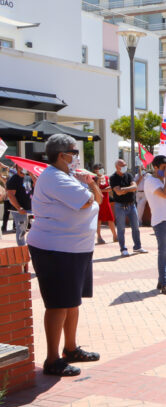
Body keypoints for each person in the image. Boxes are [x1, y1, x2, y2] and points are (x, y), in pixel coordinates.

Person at [28, 134, 102, 377]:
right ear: (62, 155)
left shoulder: (69, 177)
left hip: (75, 248)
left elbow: (98, 199)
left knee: (73, 301)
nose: (77, 157)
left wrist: (89, 185)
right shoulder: (54, 177)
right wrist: (89, 186)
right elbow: (86, 202)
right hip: (55, 249)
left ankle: (70, 348)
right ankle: (52, 359)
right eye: (74, 152)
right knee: (58, 304)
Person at [144, 155, 166, 295]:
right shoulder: (151, 181)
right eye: (164, 168)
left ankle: (163, 280)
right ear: (155, 167)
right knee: (163, 253)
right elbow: (164, 194)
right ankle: (164, 283)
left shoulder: (161, 180)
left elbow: (165, 199)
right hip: (160, 221)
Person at [110, 159, 147, 257]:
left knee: (136, 227)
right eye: (122, 165)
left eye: (125, 165)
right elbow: (117, 192)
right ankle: (123, 248)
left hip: (131, 205)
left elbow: (135, 187)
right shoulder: (113, 178)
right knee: (121, 229)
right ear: (117, 167)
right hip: (120, 206)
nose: (124, 167)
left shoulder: (129, 175)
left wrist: (123, 189)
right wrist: (128, 189)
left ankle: (137, 246)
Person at [5, 164, 33, 247]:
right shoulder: (14, 179)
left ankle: (28, 247)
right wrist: (19, 208)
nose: (24, 168)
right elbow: (10, 195)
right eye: (21, 166)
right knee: (21, 229)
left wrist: (32, 175)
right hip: (18, 210)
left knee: (29, 228)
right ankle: (22, 248)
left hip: (29, 209)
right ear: (17, 168)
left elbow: (31, 190)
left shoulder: (28, 177)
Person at [92, 163, 116, 245]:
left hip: (106, 201)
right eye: (98, 169)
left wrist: (101, 191)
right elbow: (95, 188)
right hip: (98, 202)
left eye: (101, 168)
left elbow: (110, 188)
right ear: (95, 170)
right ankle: (99, 237)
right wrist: (98, 182)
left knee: (110, 218)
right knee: (98, 220)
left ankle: (115, 236)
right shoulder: (94, 178)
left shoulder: (106, 178)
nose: (100, 170)